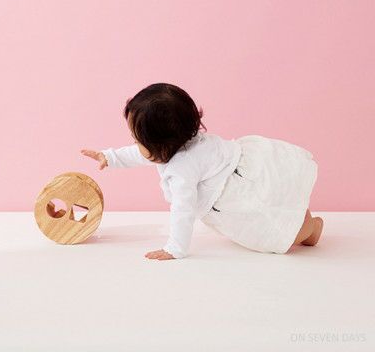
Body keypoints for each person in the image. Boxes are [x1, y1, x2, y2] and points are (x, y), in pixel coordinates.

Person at [81, 83, 323, 260]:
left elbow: (182, 209)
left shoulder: (181, 170)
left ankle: (310, 229)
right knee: (280, 203)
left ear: (160, 146)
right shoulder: (185, 140)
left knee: (275, 232)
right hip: (252, 172)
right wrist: (110, 157)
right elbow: (144, 154)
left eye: (137, 141)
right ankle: (301, 215)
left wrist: (175, 247)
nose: (134, 145)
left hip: (238, 198)